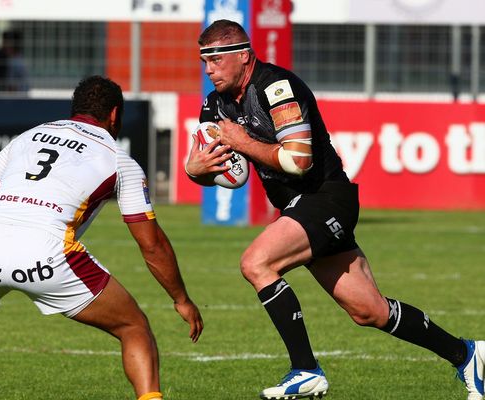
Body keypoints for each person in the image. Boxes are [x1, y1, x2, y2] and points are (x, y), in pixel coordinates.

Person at [185, 19, 483, 400]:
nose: (208, 70)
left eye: (215, 59)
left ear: (243, 56)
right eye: (204, 61)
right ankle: (466, 354)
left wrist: (243, 141)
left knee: (256, 263)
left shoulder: (277, 88)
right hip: (298, 208)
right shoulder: (216, 103)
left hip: (327, 197)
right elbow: (226, 170)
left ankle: (305, 370)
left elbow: (298, 161)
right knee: (370, 311)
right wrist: (195, 172)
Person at [0, 75, 203, 400]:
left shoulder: (29, 136)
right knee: (133, 327)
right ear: (114, 115)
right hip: (50, 255)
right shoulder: (119, 159)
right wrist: (181, 299)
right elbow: (151, 244)